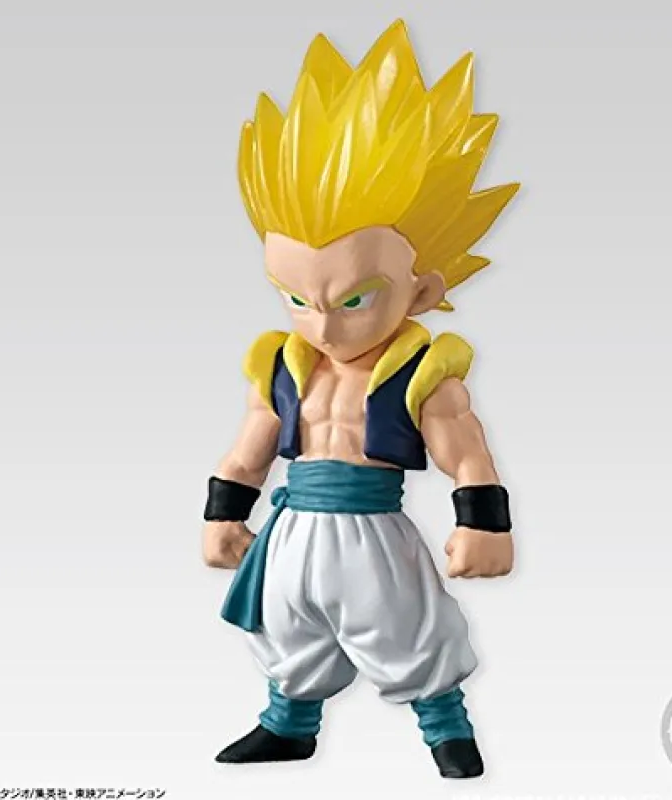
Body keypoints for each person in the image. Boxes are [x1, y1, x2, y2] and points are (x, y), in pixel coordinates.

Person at [201, 19, 519, 779]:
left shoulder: (423, 370)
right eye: (295, 297)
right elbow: (250, 446)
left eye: (353, 299)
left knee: (406, 630)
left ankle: (446, 728)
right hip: (294, 529)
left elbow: (465, 450)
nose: (320, 323)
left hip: (374, 528)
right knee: (285, 629)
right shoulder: (282, 363)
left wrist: (484, 524)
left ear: (422, 290)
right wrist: (222, 513)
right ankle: (288, 725)